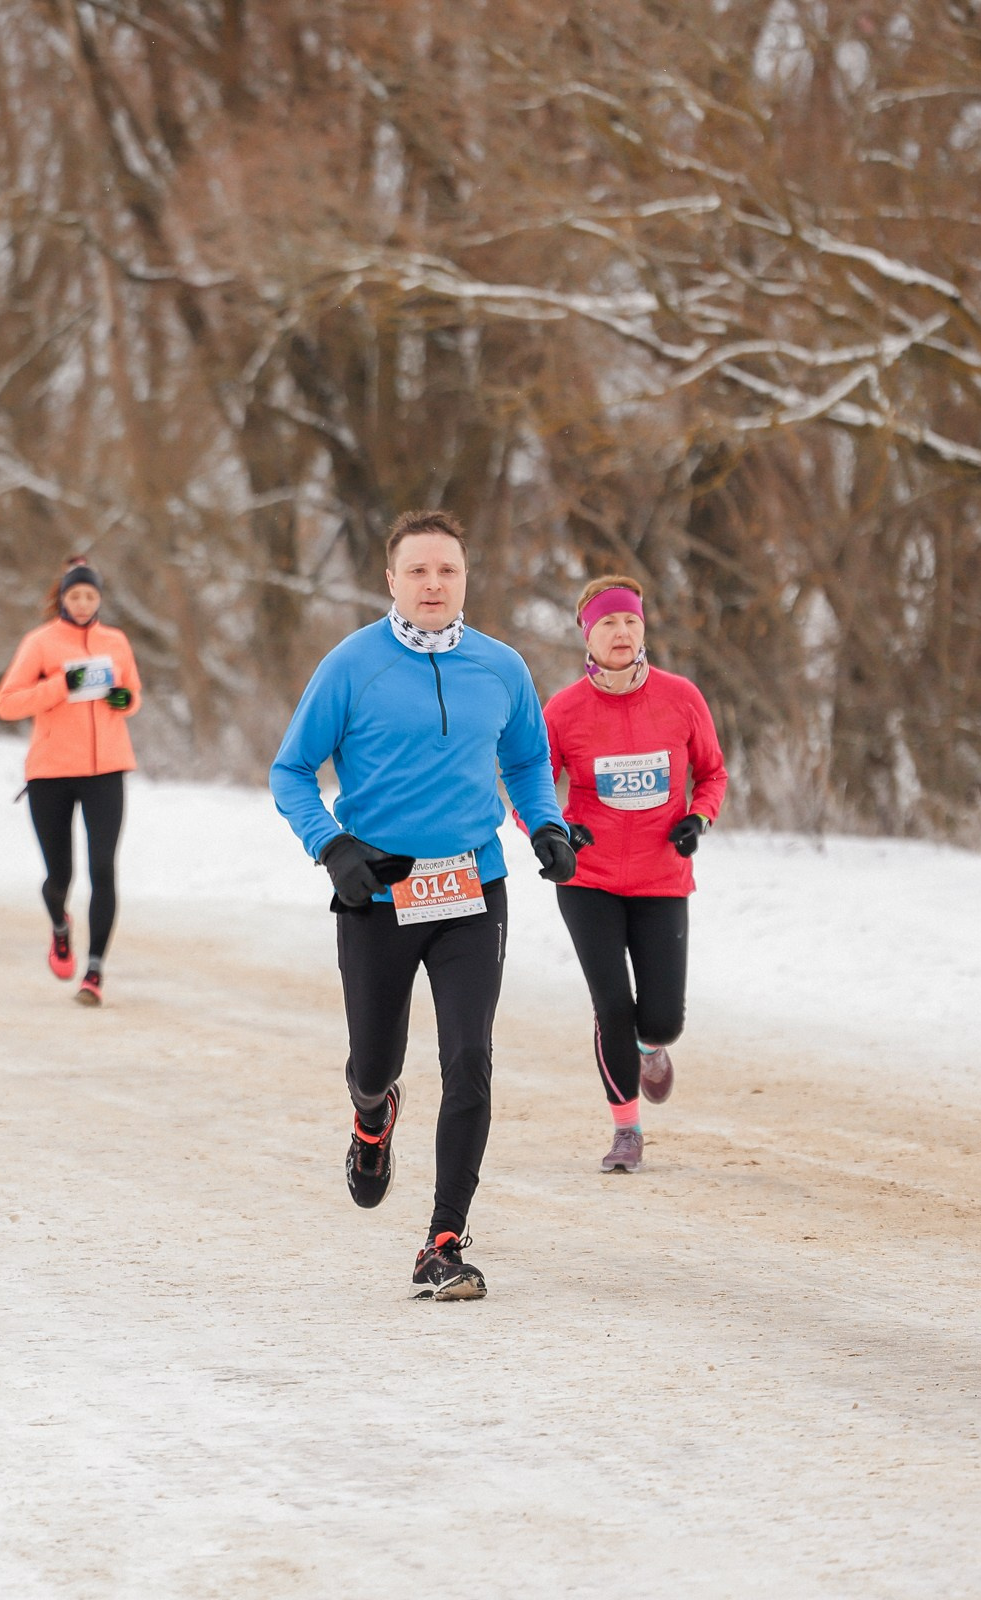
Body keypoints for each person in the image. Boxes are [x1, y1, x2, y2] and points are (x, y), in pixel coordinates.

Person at [269, 508, 581, 1301]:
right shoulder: (351, 665)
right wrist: (331, 845)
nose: (433, 584)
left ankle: (443, 1239)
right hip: (378, 890)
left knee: (469, 1060)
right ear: (391, 581)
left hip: (474, 887)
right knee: (374, 1063)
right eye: (418, 571)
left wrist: (543, 824)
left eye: (447, 570)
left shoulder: (502, 667)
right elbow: (291, 771)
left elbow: (527, 756)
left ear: (465, 579)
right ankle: (372, 1116)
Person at [542, 575, 727, 1175]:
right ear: (587, 637)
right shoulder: (564, 711)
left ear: (643, 628)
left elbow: (713, 773)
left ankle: (652, 1048)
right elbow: (531, 788)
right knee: (611, 1005)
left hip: (660, 877)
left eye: (630, 622)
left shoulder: (680, 698)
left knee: (663, 1017)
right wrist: (556, 834)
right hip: (587, 878)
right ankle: (626, 1130)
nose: (621, 633)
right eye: (607, 624)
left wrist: (698, 818)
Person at [0, 555, 143, 1007]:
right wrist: (63, 684)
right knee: (60, 875)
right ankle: (60, 924)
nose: (82, 603)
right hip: (52, 773)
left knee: (103, 869)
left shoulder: (115, 641)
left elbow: (132, 692)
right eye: (74, 595)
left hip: (107, 770)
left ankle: (94, 971)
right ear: (62, 598)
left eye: (90, 596)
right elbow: (7, 703)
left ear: (99, 599)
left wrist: (122, 699)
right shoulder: (40, 643)